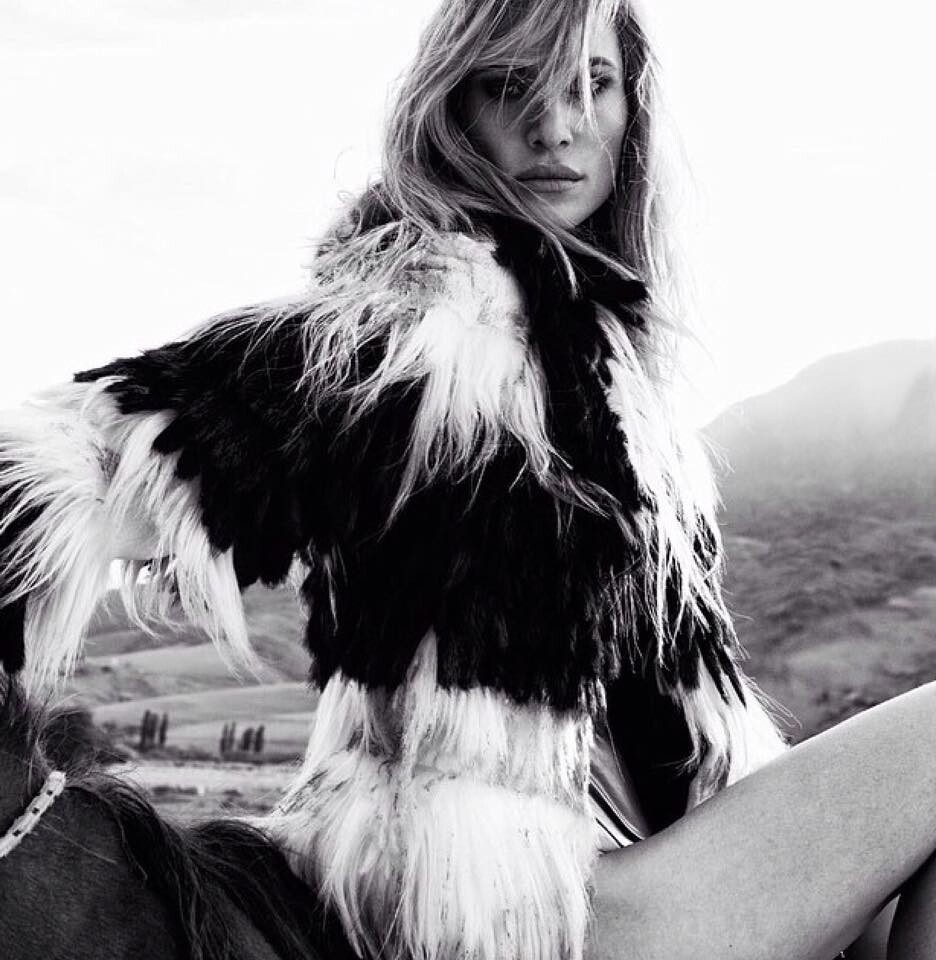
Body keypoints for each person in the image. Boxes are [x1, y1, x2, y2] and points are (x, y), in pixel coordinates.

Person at [0, 1, 931, 958]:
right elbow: (84, 458)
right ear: (453, 111)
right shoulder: (406, 336)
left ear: (631, 111)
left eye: (592, 85)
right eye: (511, 86)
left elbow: (681, 718)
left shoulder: (612, 383)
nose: (556, 126)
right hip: (512, 906)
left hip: (643, 859)